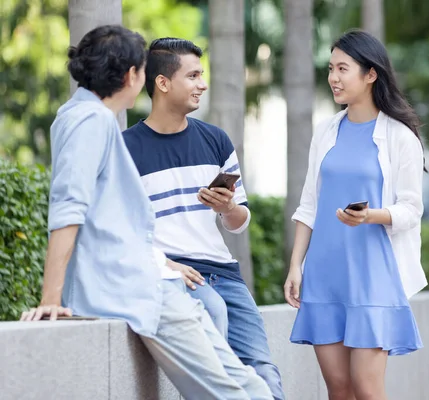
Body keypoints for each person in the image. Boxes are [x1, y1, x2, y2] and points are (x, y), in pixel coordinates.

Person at [19, 25, 271, 400]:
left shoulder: (80, 117)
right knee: (234, 390)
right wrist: (51, 300)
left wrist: (164, 264)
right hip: (144, 292)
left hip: (157, 281)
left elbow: (113, 224)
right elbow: (69, 212)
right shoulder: (92, 122)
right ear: (132, 76)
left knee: (249, 384)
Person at [122, 37, 285, 400]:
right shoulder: (126, 150)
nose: (203, 84)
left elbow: (239, 221)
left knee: (264, 374)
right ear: (163, 83)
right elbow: (123, 230)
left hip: (224, 274)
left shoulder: (216, 141)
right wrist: (165, 265)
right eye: (193, 75)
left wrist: (226, 207)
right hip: (176, 276)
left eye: (203, 74)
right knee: (220, 379)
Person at [283, 29, 427, 400]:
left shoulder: (399, 137)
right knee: (339, 389)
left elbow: (411, 210)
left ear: (370, 74)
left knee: (366, 387)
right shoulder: (326, 131)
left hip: (373, 275)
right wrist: (296, 265)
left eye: (343, 68)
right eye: (331, 68)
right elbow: (309, 204)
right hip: (325, 273)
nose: (333, 77)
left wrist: (370, 216)